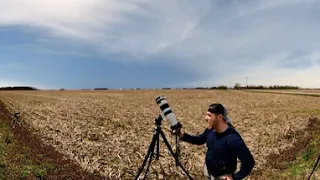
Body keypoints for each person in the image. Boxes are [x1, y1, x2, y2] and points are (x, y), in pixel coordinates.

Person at [178, 103, 255, 180]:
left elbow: (249, 162)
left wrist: (235, 177)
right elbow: (199, 140)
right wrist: (182, 135)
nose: (206, 118)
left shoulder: (232, 138)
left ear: (220, 117)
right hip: (209, 173)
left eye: (209, 115)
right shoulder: (210, 131)